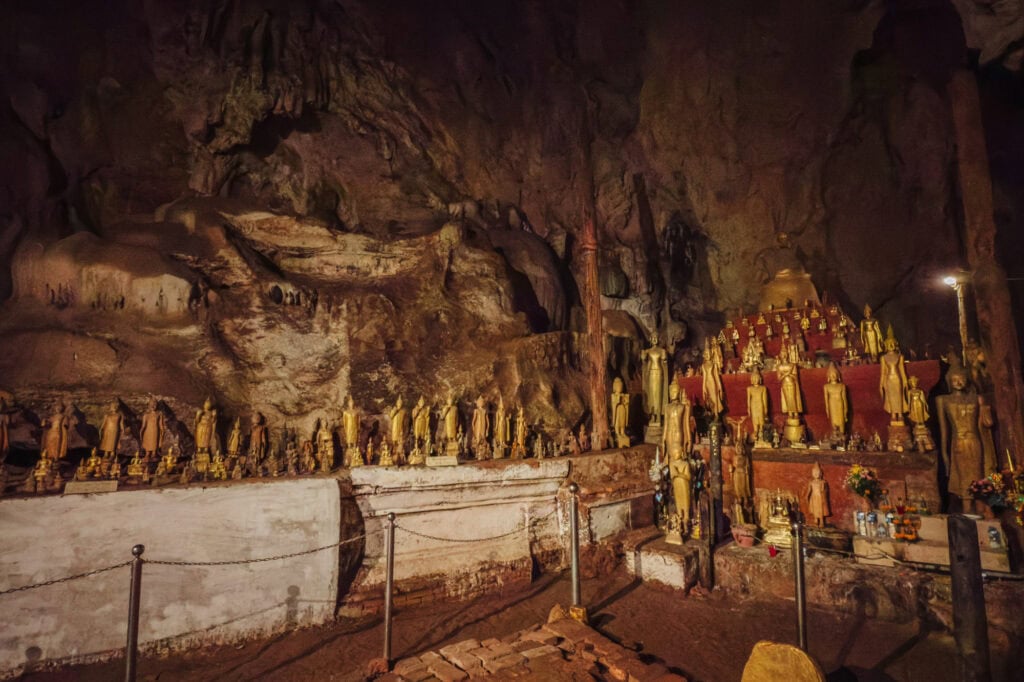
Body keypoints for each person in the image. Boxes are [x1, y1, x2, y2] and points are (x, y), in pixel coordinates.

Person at [937, 363, 996, 509]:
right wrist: (944, 454)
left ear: (967, 380)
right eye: (954, 379)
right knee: (963, 477)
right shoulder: (943, 400)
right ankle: (967, 509)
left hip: (975, 440)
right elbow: (944, 431)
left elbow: (983, 424)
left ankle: (981, 507)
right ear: (949, 382)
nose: (958, 382)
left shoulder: (977, 398)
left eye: (961, 379)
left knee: (978, 473)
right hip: (958, 442)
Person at [879, 333, 908, 423]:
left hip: (897, 379)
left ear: (895, 344)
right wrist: (881, 384)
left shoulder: (900, 357)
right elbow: (883, 373)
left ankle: (900, 414)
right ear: (885, 346)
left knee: (899, 396)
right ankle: (893, 415)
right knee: (891, 397)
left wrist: (905, 381)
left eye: (892, 343)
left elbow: (902, 371)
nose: (891, 345)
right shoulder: (883, 358)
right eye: (889, 344)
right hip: (889, 380)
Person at [641, 333, 669, 424]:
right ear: (650, 339)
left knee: (658, 395)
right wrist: (643, 356)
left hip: (659, 373)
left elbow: (664, 362)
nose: (654, 339)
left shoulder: (661, 350)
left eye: (656, 337)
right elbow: (645, 362)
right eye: (653, 338)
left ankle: (658, 416)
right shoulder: (648, 351)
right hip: (651, 374)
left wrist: (665, 358)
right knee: (651, 396)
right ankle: (652, 415)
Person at [822, 363, 848, 438]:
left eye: (835, 374)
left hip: (840, 405)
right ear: (828, 376)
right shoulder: (826, 387)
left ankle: (842, 435)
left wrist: (846, 409)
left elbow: (844, 399)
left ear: (838, 375)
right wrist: (827, 410)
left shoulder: (842, 386)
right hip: (832, 406)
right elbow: (826, 400)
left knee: (841, 422)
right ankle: (835, 436)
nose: (833, 376)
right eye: (831, 375)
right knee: (834, 422)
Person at [777, 346, 802, 417]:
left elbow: (795, 377)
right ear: (780, 356)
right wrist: (786, 374)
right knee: (787, 399)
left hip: (791, 383)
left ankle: (796, 412)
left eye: (785, 354)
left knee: (793, 398)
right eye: (782, 354)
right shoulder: (779, 366)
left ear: (788, 354)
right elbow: (779, 379)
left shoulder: (792, 365)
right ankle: (790, 413)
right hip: (784, 384)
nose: (784, 356)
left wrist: (789, 374)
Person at [701, 338, 724, 417]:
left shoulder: (714, 365)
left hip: (713, 382)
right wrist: (703, 389)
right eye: (706, 354)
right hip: (707, 383)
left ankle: (717, 414)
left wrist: (720, 387)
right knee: (709, 398)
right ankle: (712, 413)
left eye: (708, 353)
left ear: (711, 354)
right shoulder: (703, 366)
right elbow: (704, 379)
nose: (707, 355)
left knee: (715, 397)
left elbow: (717, 377)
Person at [746, 370, 769, 444]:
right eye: (754, 378)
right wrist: (748, 408)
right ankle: (756, 432)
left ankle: (762, 432)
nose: (756, 380)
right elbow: (748, 400)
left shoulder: (763, 388)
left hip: (760, 405)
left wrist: (766, 408)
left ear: (760, 379)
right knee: (755, 420)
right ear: (752, 380)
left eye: (757, 378)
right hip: (753, 406)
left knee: (761, 419)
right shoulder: (749, 389)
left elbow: (764, 399)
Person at [805, 462, 830, 527]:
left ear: (820, 473)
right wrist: (807, 496)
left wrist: (823, 494)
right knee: (815, 509)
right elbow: (809, 490)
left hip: (820, 497)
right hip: (814, 497)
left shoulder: (822, 482)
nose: (816, 474)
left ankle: (821, 521)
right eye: (814, 472)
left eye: (817, 472)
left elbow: (824, 491)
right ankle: (816, 520)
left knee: (821, 509)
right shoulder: (811, 482)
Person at [609, 377, 630, 447]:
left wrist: (625, 402)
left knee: (623, 422)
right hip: (617, 411)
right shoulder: (613, 395)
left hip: (623, 410)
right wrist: (618, 399)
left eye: (621, 386)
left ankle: (623, 432)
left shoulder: (624, 395)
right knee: (618, 421)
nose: (620, 387)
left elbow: (626, 403)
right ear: (615, 387)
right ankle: (617, 433)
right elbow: (614, 403)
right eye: (618, 386)